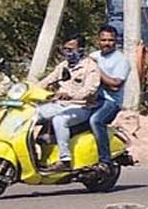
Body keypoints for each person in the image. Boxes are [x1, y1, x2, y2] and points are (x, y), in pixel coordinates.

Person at [30, 36, 99, 170]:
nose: (67, 52)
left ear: (80, 49)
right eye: (65, 49)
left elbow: (90, 90)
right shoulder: (63, 66)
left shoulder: (91, 67)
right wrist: (28, 89)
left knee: (59, 120)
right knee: (31, 116)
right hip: (59, 105)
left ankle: (65, 159)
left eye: (71, 49)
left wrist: (70, 95)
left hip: (81, 107)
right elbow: (47, 81)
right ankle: (32, 155)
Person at [87, 25, 132, 172]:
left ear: (116, 41)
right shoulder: (93, 56)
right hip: (91, 99)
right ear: (98, 40)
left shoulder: (121, 60)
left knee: (96, 121)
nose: (107, 43)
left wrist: (96, 71)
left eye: (110, 40)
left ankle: (105, 160)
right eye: (104, 40)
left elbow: (115, 84)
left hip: (111, 102)